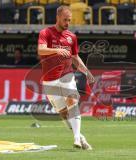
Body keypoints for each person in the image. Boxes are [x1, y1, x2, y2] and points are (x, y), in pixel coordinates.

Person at [37, 6, 95, 150]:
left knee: (72, 102)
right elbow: (41, 50)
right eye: (65, 20)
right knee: (63, 114)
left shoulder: (72, 37)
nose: (67, 23)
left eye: (69, 20)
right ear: (57, 17)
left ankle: (76, 139)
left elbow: (75, 58)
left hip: (67, 76)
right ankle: (80, 136)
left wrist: (87, 72)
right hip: (50, 80)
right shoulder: (46, 33)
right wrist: (57, 50)